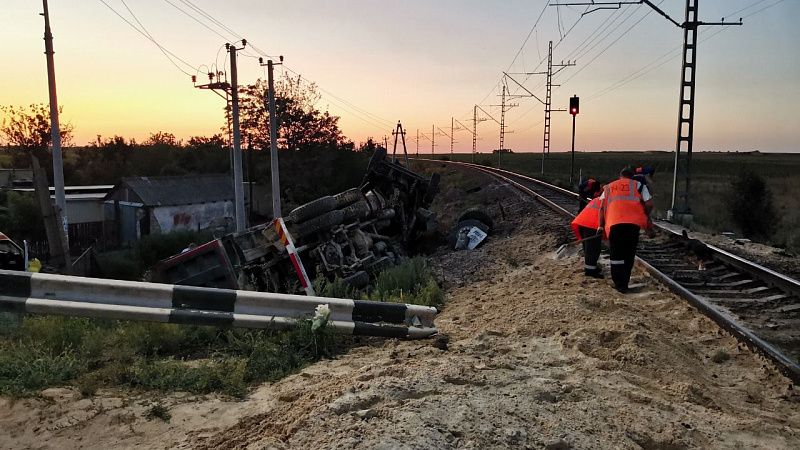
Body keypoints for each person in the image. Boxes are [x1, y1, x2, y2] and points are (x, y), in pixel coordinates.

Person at [598, 167, 653, 293]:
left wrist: (601, 225)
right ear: (632, 177)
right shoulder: (639, 185)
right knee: (629, 253)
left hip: (614, 224)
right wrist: (644, 215)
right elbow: (650, 204)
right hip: (633, 225)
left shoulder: (609, 187)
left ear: (620, 177)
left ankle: (619, 284)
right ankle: (625, 282)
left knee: (616, 254)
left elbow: (602, 208)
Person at [570, 195, 604, 278]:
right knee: (593, 249)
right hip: (592, 224)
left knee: (588, 248)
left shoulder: (598, 199)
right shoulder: (609, 202)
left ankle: (591, 267)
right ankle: (590, 271)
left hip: (582, 222)